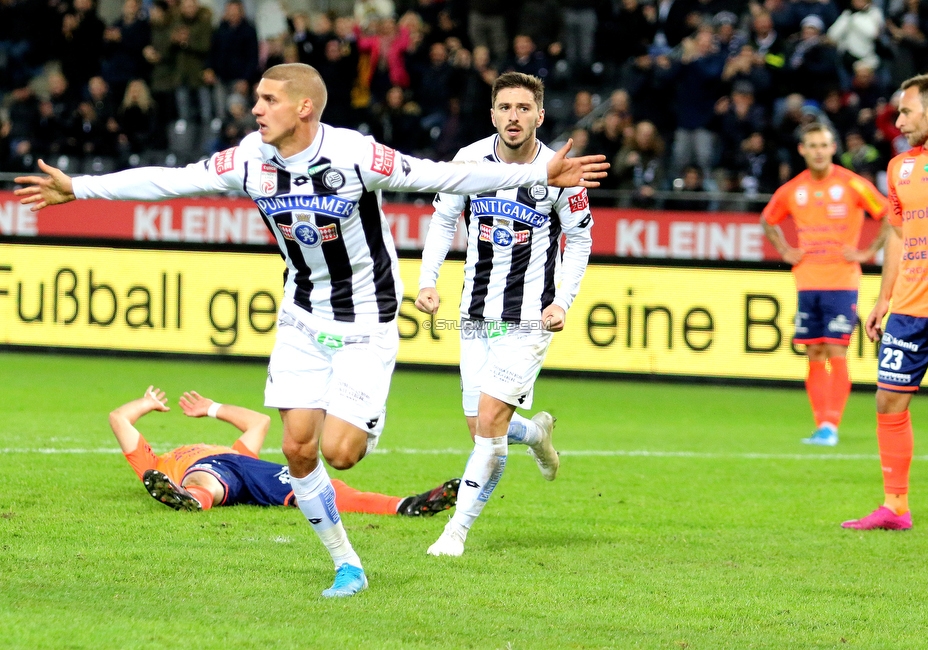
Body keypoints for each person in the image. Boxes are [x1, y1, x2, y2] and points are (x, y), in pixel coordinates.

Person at [14, 62, 608, 597]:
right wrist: (81, 187)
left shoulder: (355, 155)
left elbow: (439, 178)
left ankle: (370, 425)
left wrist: (538, 173)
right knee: (296, 448)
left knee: (340, 453)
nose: (256, 109)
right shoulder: (249, 157)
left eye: (268, 100)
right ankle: (346, 564)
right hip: (300, 317)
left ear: (303, 108)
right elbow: (173, 179)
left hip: (368, 320)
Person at [416, 72, 593, 557]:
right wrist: (427, 280)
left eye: (523, 108)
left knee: (489, 426)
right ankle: (535, 433)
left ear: (539, 114)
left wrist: (562, 303)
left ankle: (455, 532)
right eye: (505, 108)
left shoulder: (558, 169)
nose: (513, 117)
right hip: (473, 314)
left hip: (529, 319)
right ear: (492, 114)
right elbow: (444, 219)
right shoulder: (470, 161)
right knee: (482, 432)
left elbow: (578, 240)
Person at [845, 74, 928, 533]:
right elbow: (897, 235)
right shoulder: (900, 168)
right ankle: (895, 506)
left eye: (905, 111)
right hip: (909, 308)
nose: (898, 121)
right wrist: (884, 298)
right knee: (887, 400)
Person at [111, 386, 459, 517]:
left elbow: (259, 422)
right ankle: (190, 497)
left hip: (244, 470)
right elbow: (118, 419)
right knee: (207, 480)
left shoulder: (235, 453)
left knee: (319, 488)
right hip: (206, 473)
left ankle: (405, 505)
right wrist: (144, 403)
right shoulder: (155, 467)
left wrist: (213, 407)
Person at [760, 122, 889, 446]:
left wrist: (867, 251)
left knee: (836, 349)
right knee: (814, 351)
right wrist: (785, 251)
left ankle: (831, 425)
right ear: (802, 150)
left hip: (842, 279)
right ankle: (822, 426)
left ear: (833, 149)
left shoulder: (852, 184)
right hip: (807, 280)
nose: (818, 151)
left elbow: (887, 213)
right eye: (812, 145)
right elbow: (767, 219)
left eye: (824, 145)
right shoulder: (794, 188)